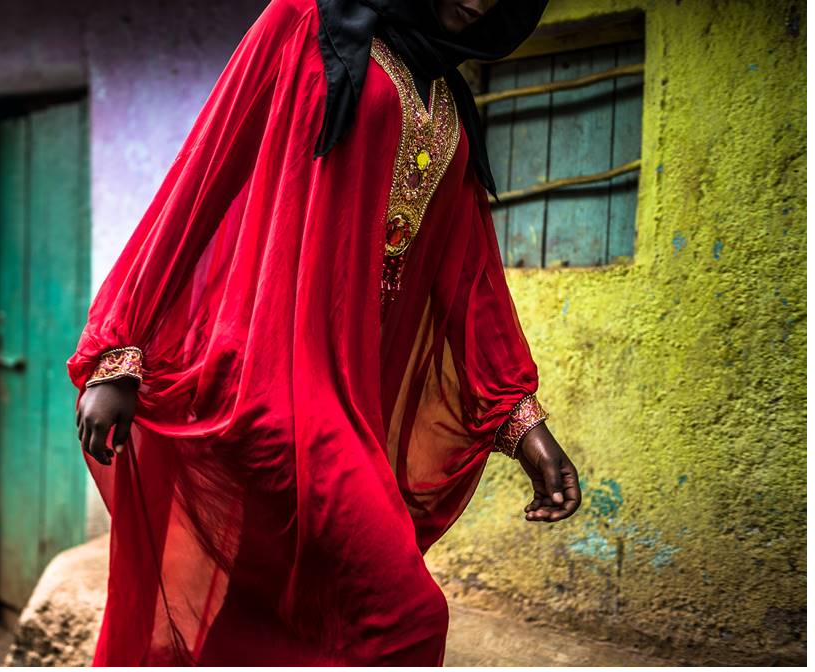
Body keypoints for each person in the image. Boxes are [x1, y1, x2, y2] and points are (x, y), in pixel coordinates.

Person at [69, 0, 581, 665]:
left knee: (268, 623)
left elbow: (469, 278)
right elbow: (202, 174)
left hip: (353, 406)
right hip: (273, 392)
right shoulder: (305, 23)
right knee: (407, 619)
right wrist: (119, 345)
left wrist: (527, 427)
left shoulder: (449, 95)